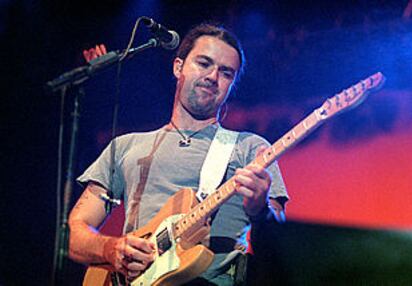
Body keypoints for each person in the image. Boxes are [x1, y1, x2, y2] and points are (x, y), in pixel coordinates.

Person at [68, 23, 289, 285]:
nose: (212, 76)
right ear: (178, 67)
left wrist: (259, 208)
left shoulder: (251, 148)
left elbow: (282, 246)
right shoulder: (126, 145)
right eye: (203, 63)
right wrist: (111, 249)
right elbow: (75, 234)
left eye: (226, 72)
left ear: (231, 85)